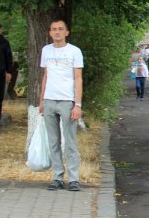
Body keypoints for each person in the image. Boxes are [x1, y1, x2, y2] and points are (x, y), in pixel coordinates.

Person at [39, 19, 84, 191]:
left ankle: (73, 179)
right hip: (49, 100)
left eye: (60, 29)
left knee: (70, 141)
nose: (57, 32)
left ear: (67, 32)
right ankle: (57, 177)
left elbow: (78, 78)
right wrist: (41, 99)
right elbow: (45, 75)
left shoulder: (74, 51)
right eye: (54, 29)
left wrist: (77, 104)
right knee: (53, 141)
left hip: (67, 100)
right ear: (50, 33)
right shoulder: (46, 50)